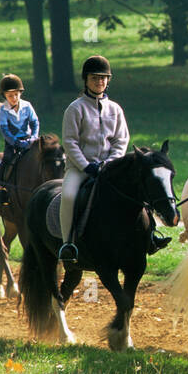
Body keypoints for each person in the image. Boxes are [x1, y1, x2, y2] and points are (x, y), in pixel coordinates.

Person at [58, 55, 132, 263]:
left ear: (108, 80)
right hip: (80, 168)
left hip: (110, 167)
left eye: (103, 78)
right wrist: (86, 166)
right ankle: (67, 244)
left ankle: (145, 237)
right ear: (86, 80)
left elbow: (121, 140)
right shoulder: (75, 108)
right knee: (70, 196)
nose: (99, 82)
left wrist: (111, 163)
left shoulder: (115, 109)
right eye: (94, 78)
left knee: (134, 192)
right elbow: (70, 142)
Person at [0, 74, 39, 207]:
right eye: (10, 96)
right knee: (6, 159)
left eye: (16, 94)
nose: (14, 98)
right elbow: (4, 129)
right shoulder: (3, 109)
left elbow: (35, 123)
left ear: (20, 93)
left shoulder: (27, 106)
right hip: (12, 141)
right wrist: (14, 142)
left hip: (29, 139)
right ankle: (1, 189)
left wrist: (33, 138)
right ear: (5, 96)